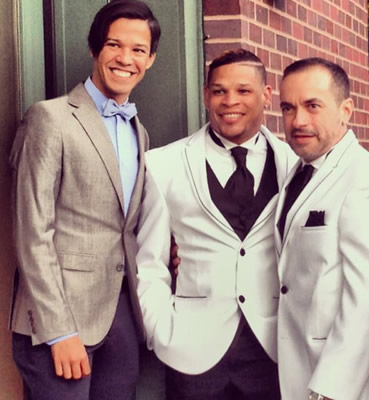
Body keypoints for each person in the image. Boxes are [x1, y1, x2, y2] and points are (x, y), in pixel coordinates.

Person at [9, 1, 160, 399]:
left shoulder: (140, 132)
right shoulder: (50, 118)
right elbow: (32, 231)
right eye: (114, 45)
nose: (125, 58)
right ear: (95, 48)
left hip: (120, 320)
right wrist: (59, 331)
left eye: (138, 49)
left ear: (150, 59)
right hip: (60, 321)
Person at [136, 49, 297, 400]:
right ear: (206, 95)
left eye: (243, 90)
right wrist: (161, 332)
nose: (230, 101)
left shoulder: (295, 166)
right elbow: (149, 262)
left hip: (273, 352)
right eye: (219, 91)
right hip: (192, 353)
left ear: (266, 95)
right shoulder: (163, 164)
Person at [275, 57, 369, 400]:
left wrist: (331, 390)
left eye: (312, 106)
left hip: (342, 386)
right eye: (288, 108)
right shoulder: (299, 173)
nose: (298, 120)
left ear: (345, 110)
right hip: (299, 368)